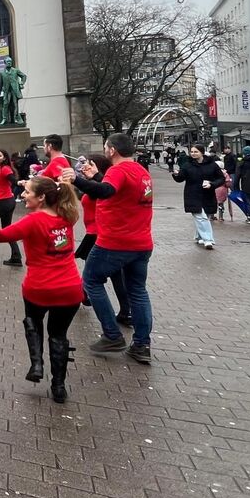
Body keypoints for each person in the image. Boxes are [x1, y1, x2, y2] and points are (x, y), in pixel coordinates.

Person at [0, 176, 82, 403]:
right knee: (59, 335)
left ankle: (37, 363)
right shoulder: (68, 216)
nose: (23, 195)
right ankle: (59, 387)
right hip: (70, 288)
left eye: (27, 192)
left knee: (33, 322)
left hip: (39, 287)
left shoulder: (33, 221)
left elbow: (0, 235)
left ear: (41, 197)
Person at [61, 132, 154, 365]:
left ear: (112, 150)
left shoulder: (118, 170)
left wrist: (77, 180)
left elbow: (106, 191)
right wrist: (98, 176)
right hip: (141, 243)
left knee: (91, 281)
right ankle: (142, 345)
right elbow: (120, 192)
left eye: (105, 147)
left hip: (116, 242)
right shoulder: (141, 172)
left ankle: (112, 335)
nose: (104, 151)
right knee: (138, 292)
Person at [74, 155, 130, 325]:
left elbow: (95, 190)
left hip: (98, 234)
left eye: (89, 165)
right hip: (95, 232)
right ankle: (125, 311)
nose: (85, 168)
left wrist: (78, 179)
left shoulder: (103, 186)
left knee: (95, 274)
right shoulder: (99, 185)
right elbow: (83, 192)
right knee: (114, 274)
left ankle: (84, 295)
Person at [170, 145, 225, 250]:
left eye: (196, 151)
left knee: (206, 216)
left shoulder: (212, 165)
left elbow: (221, 179)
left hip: (207, 194)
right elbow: (180, 178)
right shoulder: (187, 165)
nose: (193, 153)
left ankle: (199, 236)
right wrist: (176, 174)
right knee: (201, 217)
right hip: (192, 194)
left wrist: (212, 184)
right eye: (192, 151)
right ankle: (208, 240)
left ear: (202, 152)